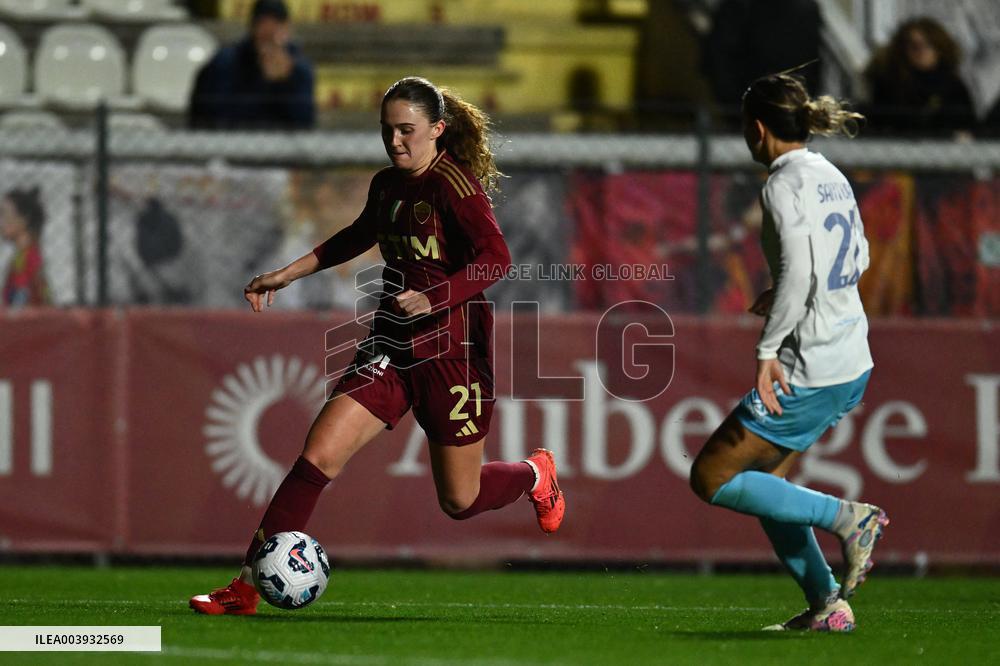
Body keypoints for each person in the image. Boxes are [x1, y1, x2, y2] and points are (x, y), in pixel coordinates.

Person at [190, 76, 565, 615]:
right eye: (387, 131)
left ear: (437, 130)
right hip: (391, 345)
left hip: (452, 355)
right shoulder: (388, 184)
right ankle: (245, 588)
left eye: (407, 131)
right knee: (317, 455)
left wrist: (436, 297)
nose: (395, 142)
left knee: (458, 500)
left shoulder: (455, 188)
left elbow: (496, 259)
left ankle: (535, 474)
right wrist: (286, 274)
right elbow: (358, 234)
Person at [688, 73, 889, 632]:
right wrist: (788, 291)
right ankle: (828, 605)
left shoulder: (781, 184)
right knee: (766, 488)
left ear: (756, 129)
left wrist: (768, 348)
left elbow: (802, 267)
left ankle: (850, 518)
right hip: (852, 355)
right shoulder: (830, 174)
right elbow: (860, 257)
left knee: (712, 477)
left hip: (814, 361)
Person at [188, 0, 315, 130]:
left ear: (288, 29)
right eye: (263, 24)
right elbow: (213, 117)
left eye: (276, 26)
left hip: (280, 148)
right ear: (252, 28)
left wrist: (285, 83)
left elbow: (305, 124)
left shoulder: (298, 70)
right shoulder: (225, 63)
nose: (270, 33)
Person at [864, 17, 975, 137]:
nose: (920, 51)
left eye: (928, 44)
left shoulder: (954, 88)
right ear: (902, 50)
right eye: (913, 45)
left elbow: (967, 127)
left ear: (940, 49)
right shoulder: (889, 86)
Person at [1, 187, 48, 307]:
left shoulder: (25, 258)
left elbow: (18, 302)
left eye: (3, 214)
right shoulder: (28, 254)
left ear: (24, 219)